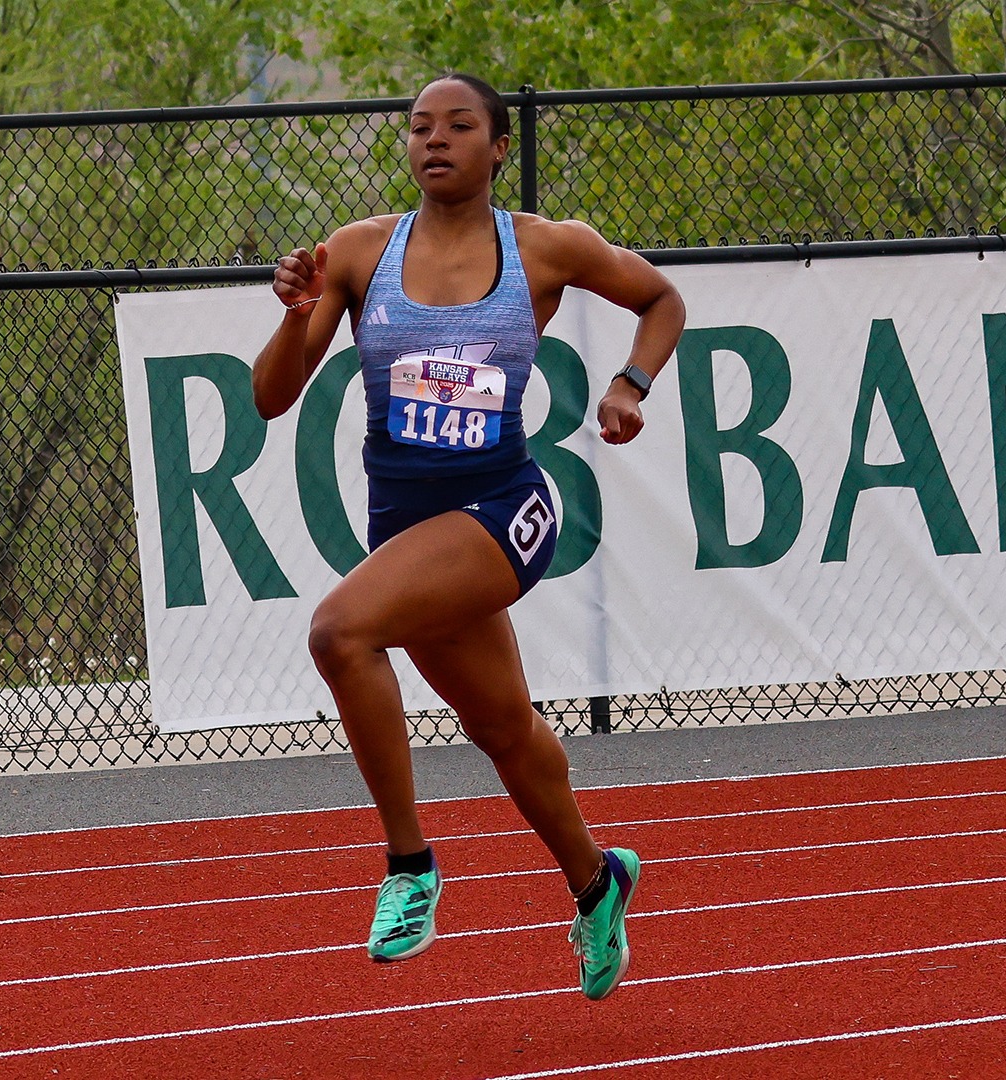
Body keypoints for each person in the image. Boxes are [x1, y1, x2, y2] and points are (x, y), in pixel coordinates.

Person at [250, 72, 685, 1000]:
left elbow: (661, 302)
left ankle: (410, 866)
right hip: (404, 525)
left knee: (339, 632)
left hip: (504, 510)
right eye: (417, 127)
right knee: (502, 729)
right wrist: (294, 319)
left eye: (457, 126)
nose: (433, 139)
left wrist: (630, 386)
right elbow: (271, 396)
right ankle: (596, 879)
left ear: (497, 148)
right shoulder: (360, 254)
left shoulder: (546, 248)